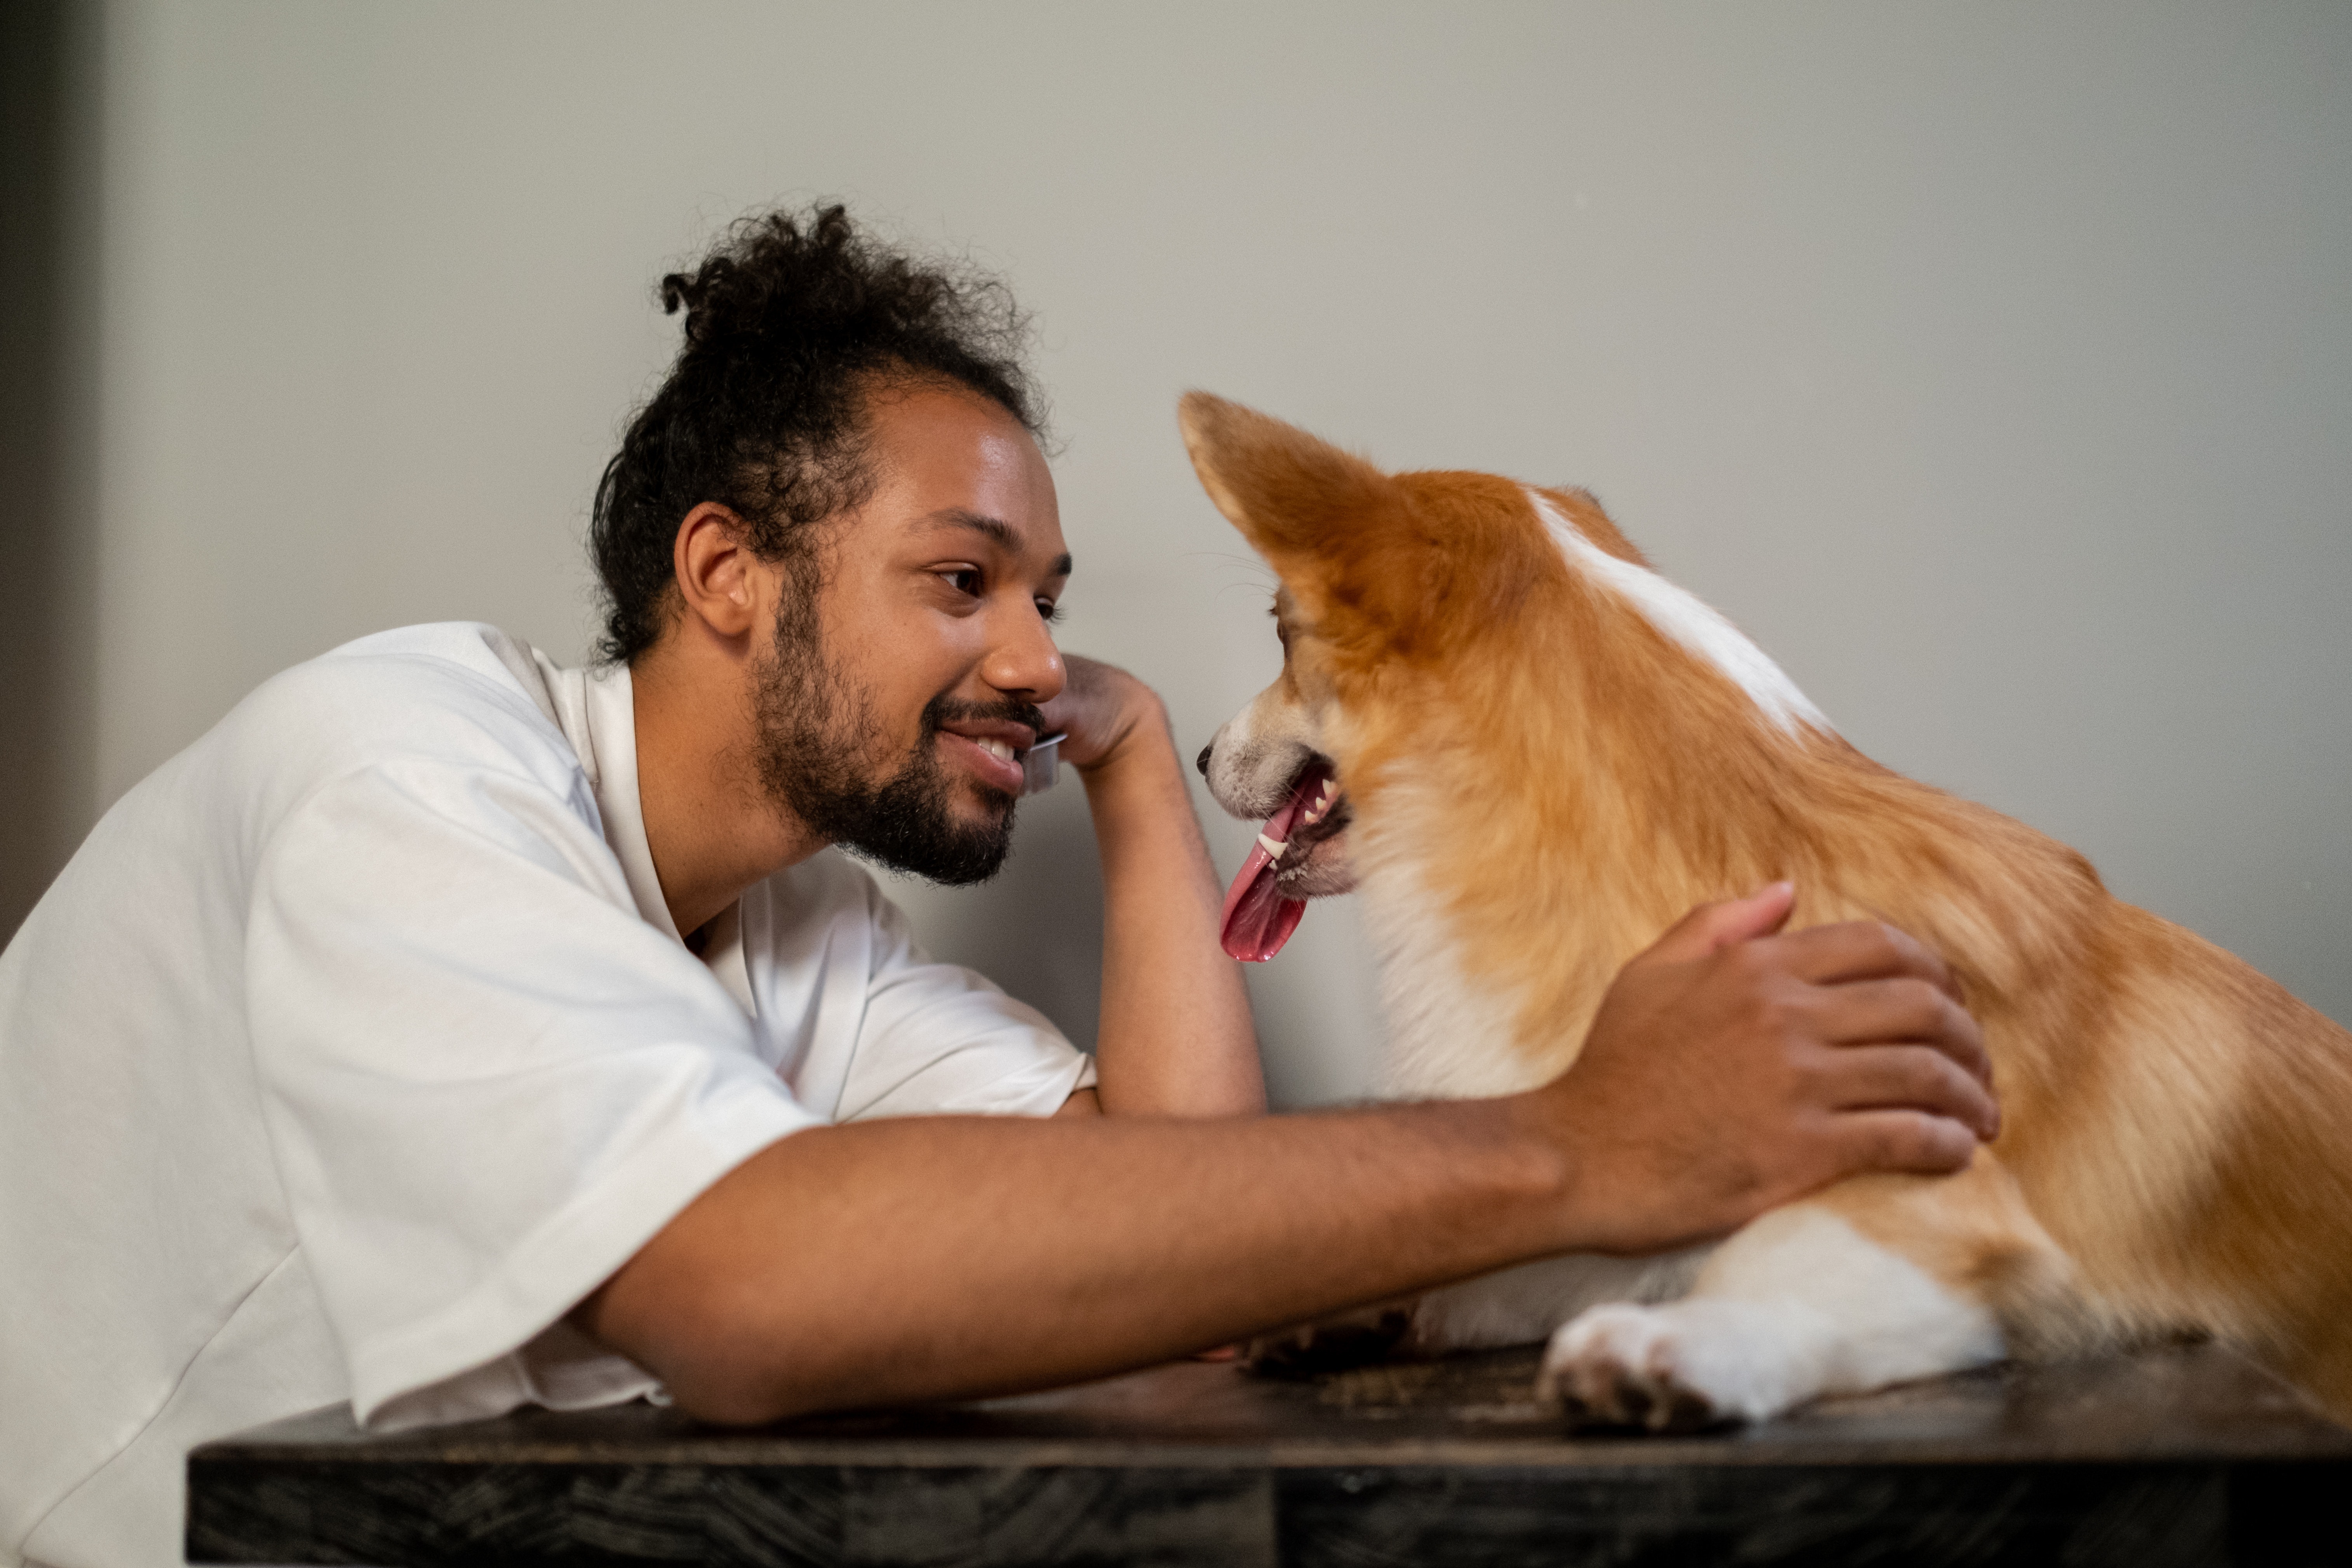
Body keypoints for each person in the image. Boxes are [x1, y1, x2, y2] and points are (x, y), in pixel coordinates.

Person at [0, 206, 1997, 1568]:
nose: (1039, 648)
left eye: (1046, 596)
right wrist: (1580, 1145)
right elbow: (746, 1294)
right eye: (963, 581)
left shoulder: (802, 937)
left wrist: (1142, 778)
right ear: (725, 577)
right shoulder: (392, 765)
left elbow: (1188, 1244)